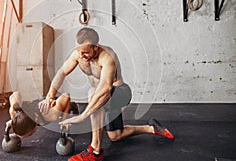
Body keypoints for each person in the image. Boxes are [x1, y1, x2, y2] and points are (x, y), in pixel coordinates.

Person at [39, 27, 174, 161]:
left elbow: (105, 89)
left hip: (120, 93)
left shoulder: (108, 56)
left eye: (85, 52)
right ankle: (151, 128)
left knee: (93, 93)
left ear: (96, 47)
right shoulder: (79, 54)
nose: (81, 56)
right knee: (115, 135)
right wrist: (50, 95)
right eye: (78, 51)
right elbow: (62, 72)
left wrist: (83, 116)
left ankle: (95, 151)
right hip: (105, 97)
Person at [5, 91, 73, 138]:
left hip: (63, 105)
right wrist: (13, 119)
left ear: (36, 120)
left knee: (71, 108)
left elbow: (67, 96)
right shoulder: (15, 112)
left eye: (30, 134)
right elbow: (16, 94)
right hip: (36, 104)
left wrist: (64, 120)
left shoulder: (51, 114)